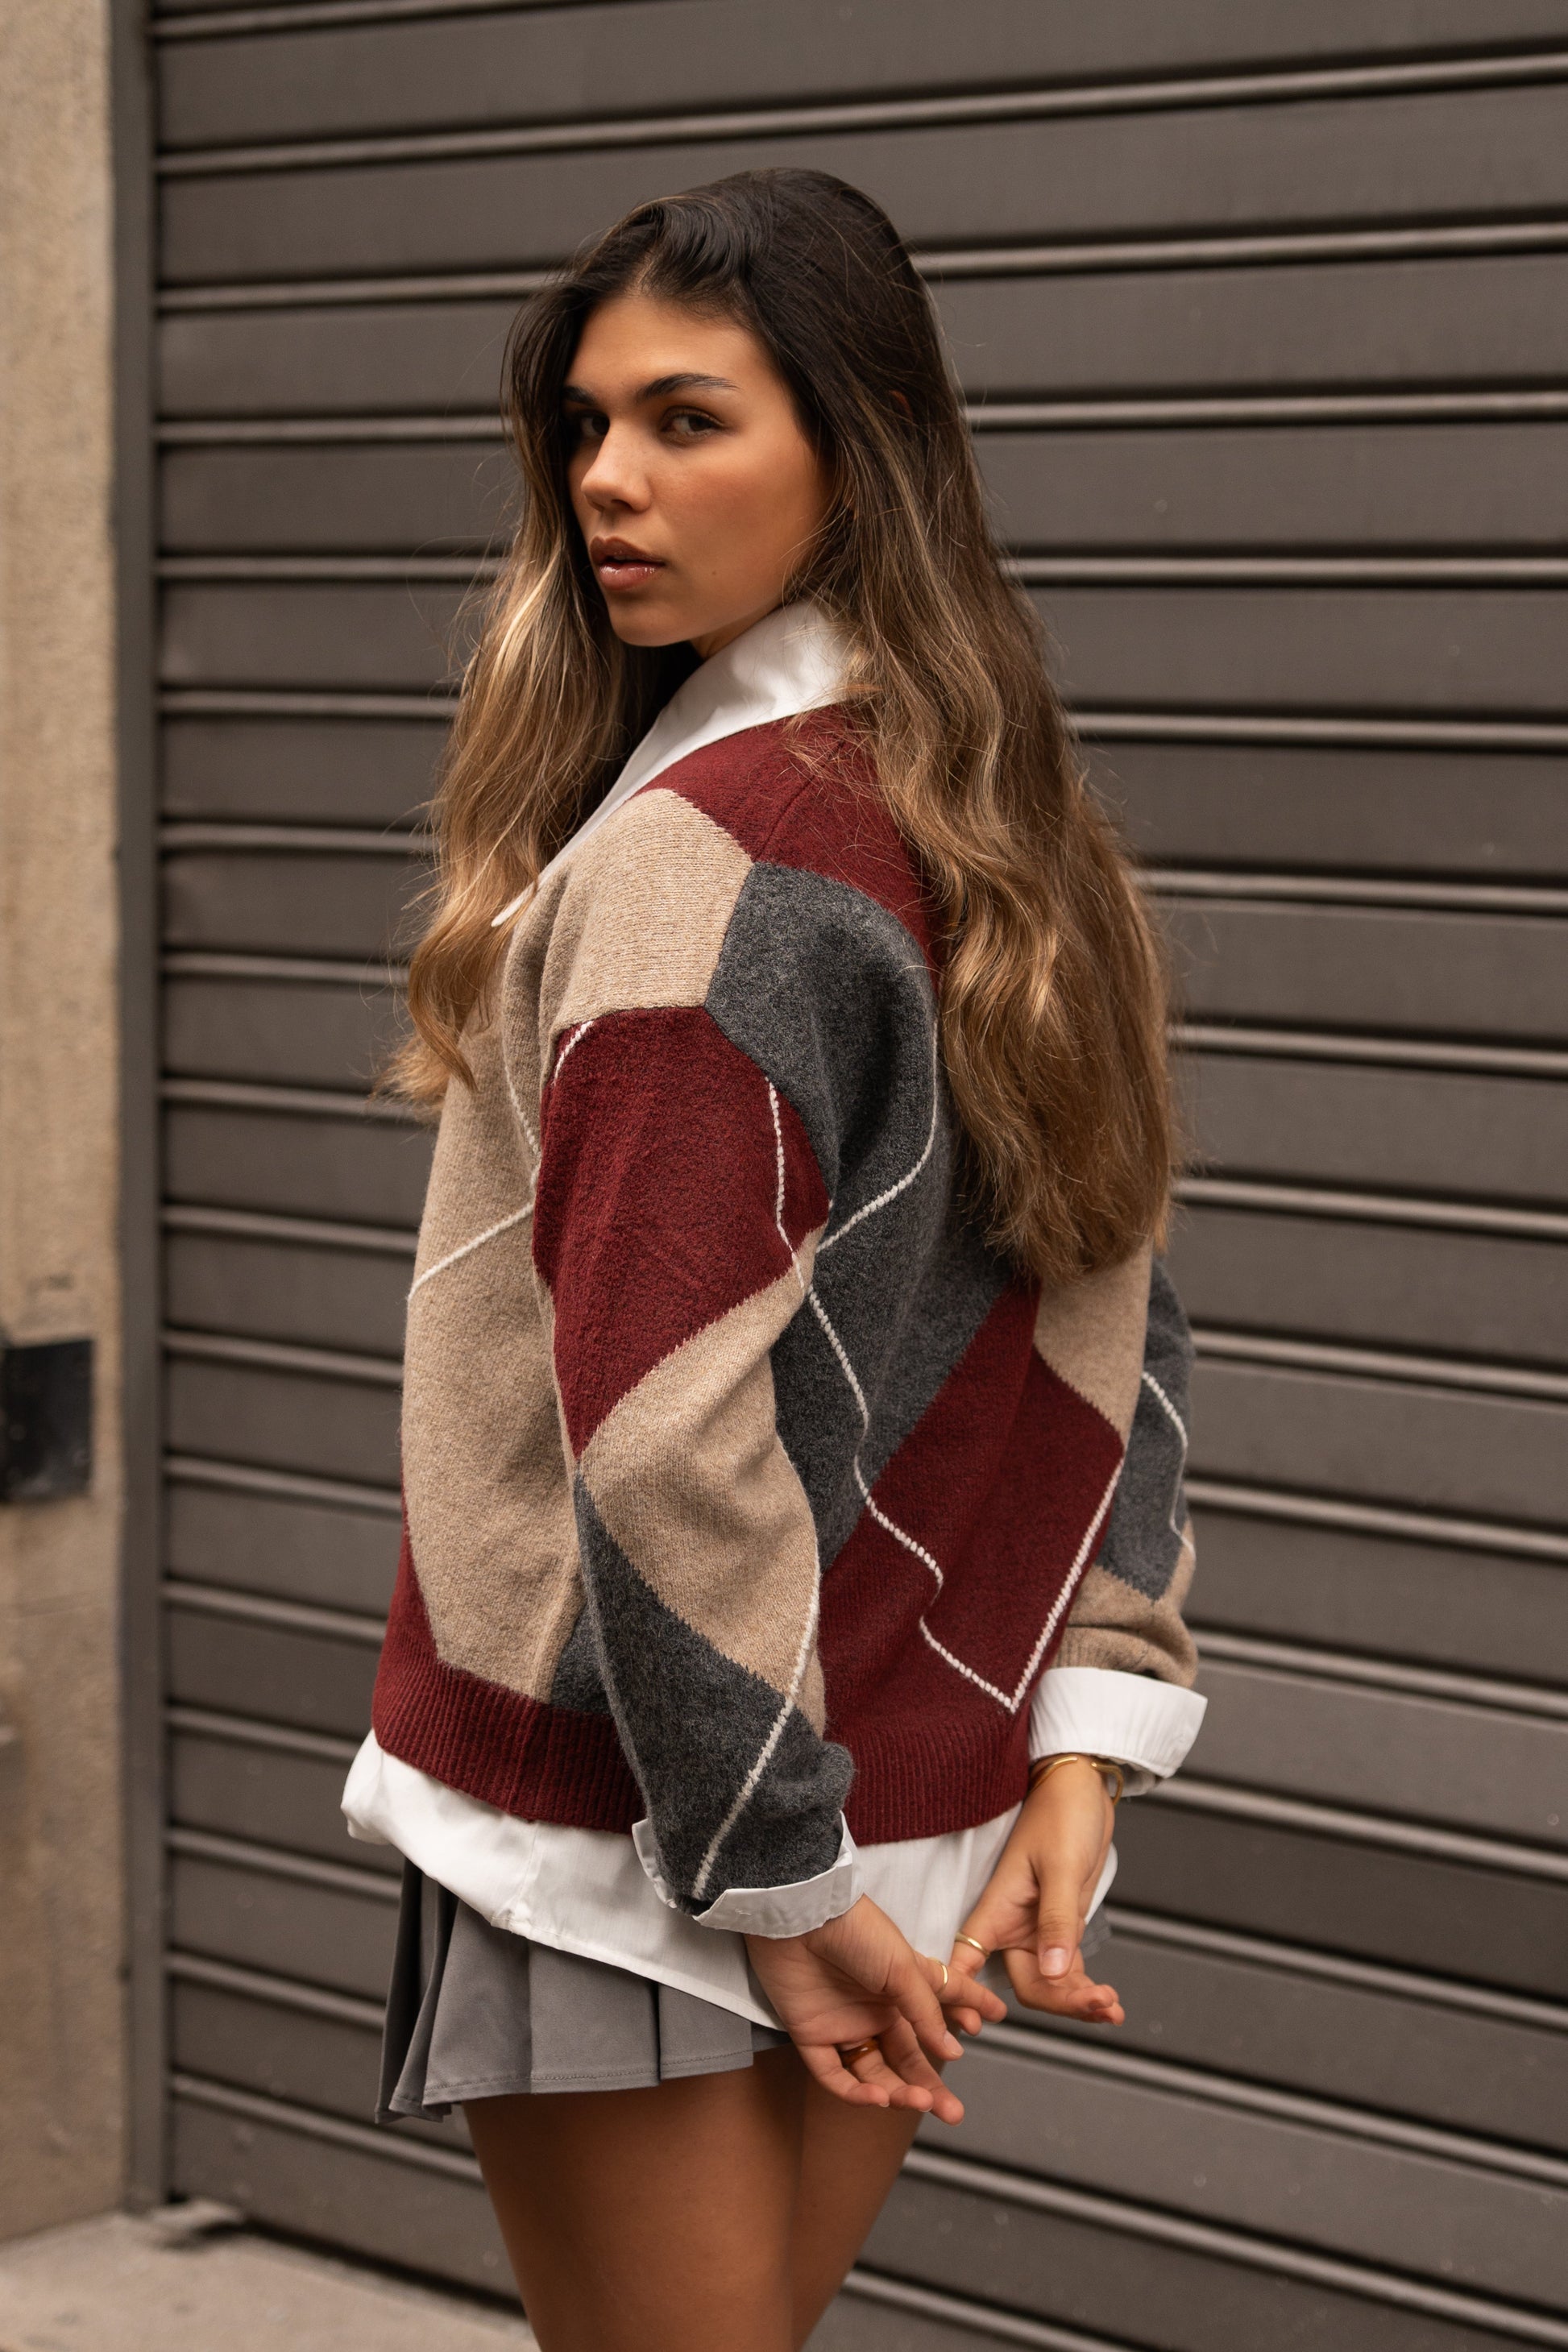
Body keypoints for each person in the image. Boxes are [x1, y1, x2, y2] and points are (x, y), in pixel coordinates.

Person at [342, 165, 1205, 2352]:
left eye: (687, 420)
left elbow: (662, 1427)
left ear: (862, 443)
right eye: (585, 424)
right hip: (873, 1787)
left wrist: (774, 1857)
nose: (604, 480)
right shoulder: (1012, 822)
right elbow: (1123, 1319)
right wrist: (1083, 1729)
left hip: (659, 1808)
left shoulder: (701, 860)